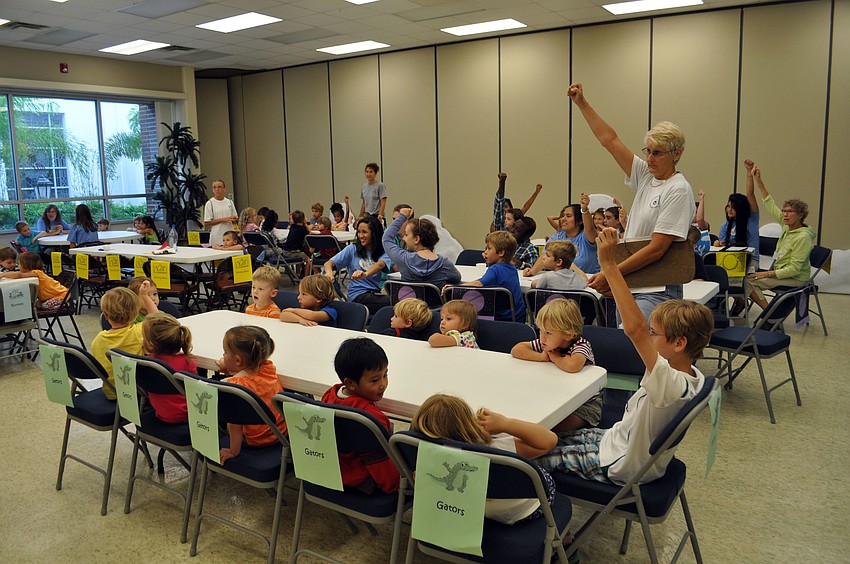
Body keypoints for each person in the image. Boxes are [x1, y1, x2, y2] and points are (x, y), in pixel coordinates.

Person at [535, 227, 711, 486]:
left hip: (618, 462)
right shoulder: (690, 376)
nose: (648, 338)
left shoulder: (669, 382)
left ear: (679, 343)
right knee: (543, 436)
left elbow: (634, 329)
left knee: (527, 459)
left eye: (655, 334)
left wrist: (609, 264)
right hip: (616, 441)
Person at [567, 82, 695, 322]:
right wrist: (582, 104)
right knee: (628, 349)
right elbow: (610, 141)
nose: (649, 159)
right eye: (647, 151)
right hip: (632, 283)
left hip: (656, 290)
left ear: (676, 154)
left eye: (657, 153)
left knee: (641, 352)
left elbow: (657, 249)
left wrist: (612, 272)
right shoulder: (647, 175)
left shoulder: (678, 189)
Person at [411, 394, 557, 525]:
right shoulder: (494, 449)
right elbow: (549, 441)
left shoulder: (419, 452)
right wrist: (506, 423)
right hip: (521, 511)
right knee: (539, 468)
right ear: (468, 425)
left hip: (461, 509)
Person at [319, 338, 399, 493]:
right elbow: (379, 463)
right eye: (375, 380)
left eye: (385, 375)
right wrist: (398, 484)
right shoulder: (371, 419)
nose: (383, 384)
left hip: (332, 469)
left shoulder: (329, 395)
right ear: (350, 383)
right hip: (361, 480)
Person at [511, 299, 601, 432]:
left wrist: (555, 357)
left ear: (568, 334)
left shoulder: (581, 346)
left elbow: (573, 366)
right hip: (555, 395)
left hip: (584, 405)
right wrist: (541, 357)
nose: (542, 337)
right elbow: (516, 350)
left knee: (553, 427)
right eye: (540, 330)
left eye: (548, 333)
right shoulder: (548, 343)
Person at [742, 164, 815, 311]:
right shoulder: (787, 226)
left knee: (748, 282)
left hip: (795, 279)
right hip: (780, 272)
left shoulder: (803, 238)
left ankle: (770, 315)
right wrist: (758, 180)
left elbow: (794, 269)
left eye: (790, 212)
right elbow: (769, 203)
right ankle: (768, 312)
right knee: (744, 278)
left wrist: (766, 274)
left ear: (800, 215)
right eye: (784, 211)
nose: (785, 214)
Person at [216, 326, 287, 465]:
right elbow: (248, 373)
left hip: (255, 439)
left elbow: (234, 425)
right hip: (280, 434)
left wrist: (233, 451)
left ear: (237, 360)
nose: (223, 356)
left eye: (225, 352)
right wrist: (230, 368)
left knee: (227, 416)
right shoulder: (268, 367)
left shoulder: (233, 386)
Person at [91, 286, 156, 401]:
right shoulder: (138, 332)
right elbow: (156, 317)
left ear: (105, 315)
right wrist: (144, 295)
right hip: (137, 391)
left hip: (111, 392)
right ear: (136, 313)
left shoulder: (98, 340)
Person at [323, 216, 391, 315]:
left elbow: (380, 265)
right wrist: (329, 273)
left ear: (374, 233)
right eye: (359, 232)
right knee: (394, 302)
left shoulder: (383, 251)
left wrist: (365, 274)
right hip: (357, 296)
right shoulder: (352, 249)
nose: (360, 235)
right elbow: (329, 263)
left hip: (373, 294)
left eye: (364, 232)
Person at [383, 206, 461, 290]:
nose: (403, 238)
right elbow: (456, 278)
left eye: (406, 235)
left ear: (417, 239)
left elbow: (386, 238)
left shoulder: (403, 259)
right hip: (436, 303)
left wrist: (402, 216)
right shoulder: (445, 264)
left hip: (409, 303)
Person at [459, 230, 526, 323]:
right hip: (518, 316)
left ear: (501, 253)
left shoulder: (495, 269)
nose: (485, 252)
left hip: (500, 319)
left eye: (489, 249)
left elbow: (478, 284)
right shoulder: (512, 267)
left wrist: (454, 288)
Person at [141, 313, 195, 423]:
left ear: (151, 344)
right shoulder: (187, 362)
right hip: (187, 416)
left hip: (160, 413)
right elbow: (196, 390)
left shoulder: (147, 364)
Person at [527, 197, 599, 276]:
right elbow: (544, 256)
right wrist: (532, 271)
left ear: (580, 220)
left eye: (568, 216)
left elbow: (589, 228)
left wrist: (584, 209)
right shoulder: (557, 237)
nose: (563, 219)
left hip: (588, 281)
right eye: (562, 216)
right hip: (562, 279)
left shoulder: (586, 237)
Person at [719, 160, 762, 272]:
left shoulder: (752, 218)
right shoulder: (726, 226)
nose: (730, 210)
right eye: (728, 206)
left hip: (751, 260)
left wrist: (749, 172)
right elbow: (722, 246)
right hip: (731, 259)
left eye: (733, 207)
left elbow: (750, 194)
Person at [204, 179, 238, 247]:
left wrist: (234, 219)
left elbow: (235, 218)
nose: (217, 189)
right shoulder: (210, 203)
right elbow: (207, 222)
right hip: (217, 236)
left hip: (230, 236)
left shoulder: (230, 202)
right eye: (214, 187)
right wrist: (223, 219)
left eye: (219, 187)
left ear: (224, 189)